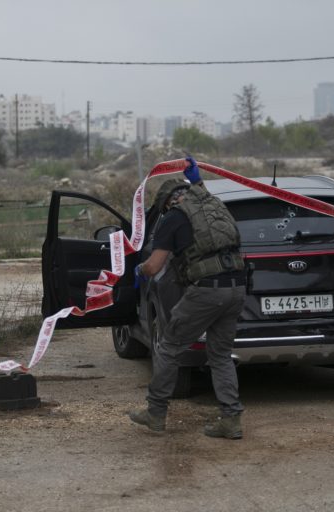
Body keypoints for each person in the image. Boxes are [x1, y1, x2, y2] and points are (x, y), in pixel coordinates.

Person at [128, 156, 247, 439]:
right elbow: (202, 191)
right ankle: (231, 419)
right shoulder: (214, 205)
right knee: (220, 355)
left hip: (207, 291)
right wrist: (195, 178)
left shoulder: (174, 218)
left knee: (168, 348)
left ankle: (155, 413)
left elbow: (155, 266)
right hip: (237, 287)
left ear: (168, 201)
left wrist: (139, 270)